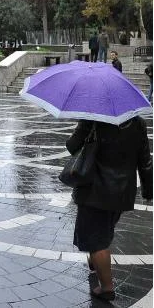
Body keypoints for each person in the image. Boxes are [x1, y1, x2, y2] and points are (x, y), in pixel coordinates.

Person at [66, 117, 152, 301]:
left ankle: (106, 287)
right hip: (122, 192)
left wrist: (82, 126)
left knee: (98, 243)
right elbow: (145, 161)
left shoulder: (92, 119)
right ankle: (95, 260)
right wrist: (148, 190)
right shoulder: (139, 123)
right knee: (101, 231)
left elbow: (72, 146)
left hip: (95, 191)